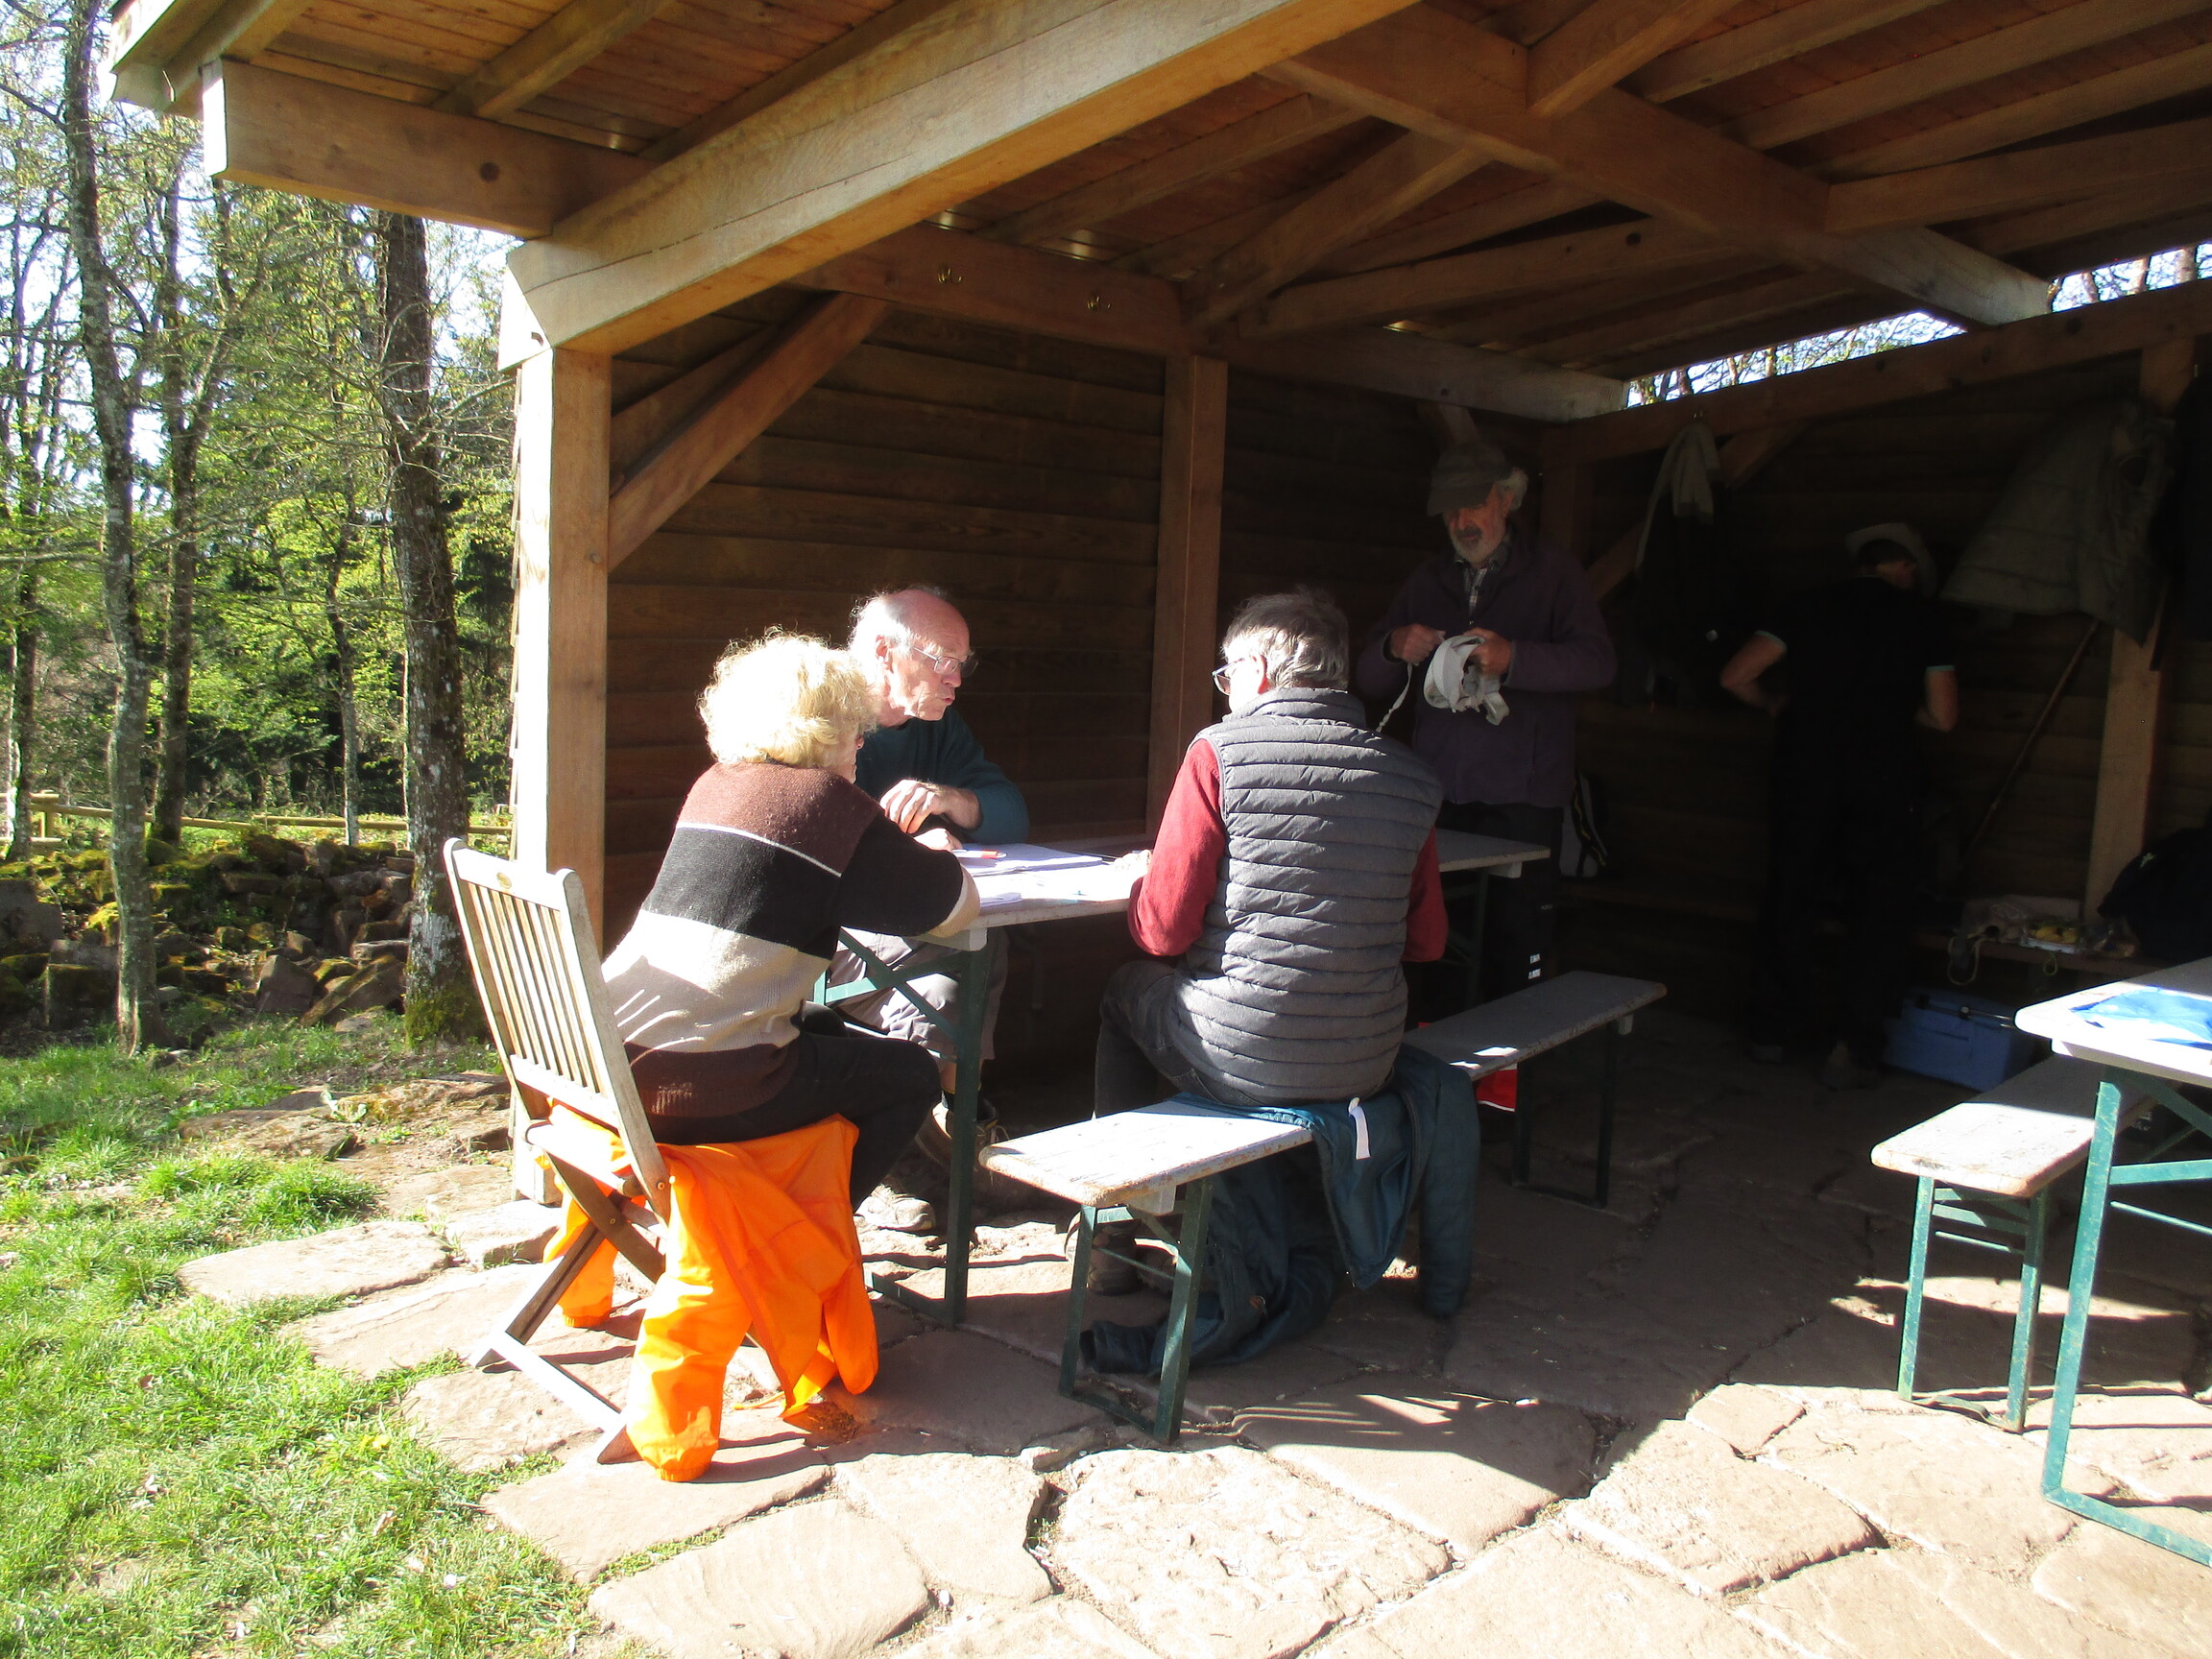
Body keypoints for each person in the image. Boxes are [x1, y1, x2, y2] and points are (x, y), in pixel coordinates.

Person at [599, 633, 977, 1206]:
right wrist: (927, 854)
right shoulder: (827, 804)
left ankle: (783, 1202)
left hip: (610, 1064)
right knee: (911, 1075)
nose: (861, 740)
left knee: (823, 1025)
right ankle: (801, 1226)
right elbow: (954, 909)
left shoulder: (714, 785)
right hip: (695, 1085)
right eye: (854, 726)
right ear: (827, 729)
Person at [1098, 588, 1447, 1117]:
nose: (1225, 695)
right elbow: (1427, 942)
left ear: (1257, 670)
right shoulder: (1412, 777)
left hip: (1237, 1058)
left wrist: (1142, 882)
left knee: (1126, 990)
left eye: (1226, 676)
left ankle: (1124, 1168)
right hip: (1368, 1062)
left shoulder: (1217, 754)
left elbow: (1163, 933)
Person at [1355, 432, 1616, 1011]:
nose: (1461, 521)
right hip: (1440, 795)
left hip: (1524, 797)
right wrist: (1393, 646)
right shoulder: (1427, 580)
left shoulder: (1555, 574)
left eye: (1472, 504)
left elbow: (1598, 663)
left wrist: (1514, 658)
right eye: (1450, 510)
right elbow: (1370, 680)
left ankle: (1510, 1070)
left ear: (1507, 498)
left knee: (1515, 950)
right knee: (1438, 947)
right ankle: (1442, 1062)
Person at [1719, 524, 1958, 1090]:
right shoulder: (1924, 620)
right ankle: (1853, 1047)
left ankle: (1771, 1032)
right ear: (1905, 568)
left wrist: (1775, 704)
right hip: (1884, 780)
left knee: (1791, 896)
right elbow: (1944, 717)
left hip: (1805, 774)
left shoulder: (1806, 606)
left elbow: (1734, 676)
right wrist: (1896, 708)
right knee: (1878, 912)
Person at [824, 589, 1025, 1101]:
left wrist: (951, 798)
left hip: (900, 926)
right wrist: (907, 852)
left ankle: (947, 1114)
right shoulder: (823, 719)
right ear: (884, 652)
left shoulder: (938, 727)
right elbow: (810, 839)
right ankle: (950, 1115)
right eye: (942, 660)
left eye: (961, 664)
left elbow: (1012, 815)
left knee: (954, 976)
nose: (955, 679)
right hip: (824, 934)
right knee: (969, 947)